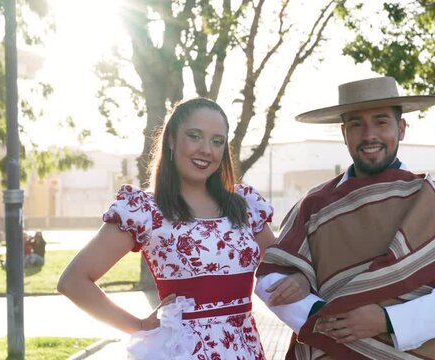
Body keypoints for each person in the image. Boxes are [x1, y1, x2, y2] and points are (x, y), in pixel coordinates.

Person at [255, 77, 435, 359]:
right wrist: (316, 311)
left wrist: (386, 320)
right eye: (356, 124)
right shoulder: (315, 206)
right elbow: (270, 280)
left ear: (401, 129)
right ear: (343, 133)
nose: (368, 135)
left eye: (381, 122)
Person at [57, 97, 306, 359]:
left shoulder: (245, 206)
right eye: (195, 136)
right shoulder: (145, 210)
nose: (206, 150)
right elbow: (73, 281)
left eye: (217, 141)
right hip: (181, 352)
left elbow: (282, 269)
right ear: (172, 140)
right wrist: (139, 326)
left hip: (245, 351)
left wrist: (301, 278)